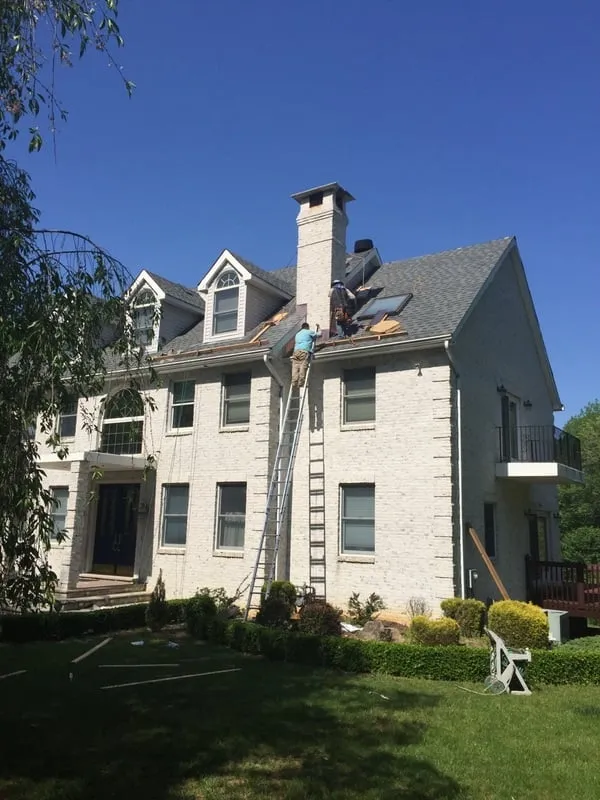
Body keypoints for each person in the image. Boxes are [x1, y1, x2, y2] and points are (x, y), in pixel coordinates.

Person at [291, 322, 320, 389]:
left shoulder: (297, 334)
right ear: (307, 327)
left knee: (295, 367)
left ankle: (294, 381)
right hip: (304, 351)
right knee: (303, 366)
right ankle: (301, 382)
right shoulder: (308, 332)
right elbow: (319, 335)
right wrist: (319, 328)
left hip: (296, 352)